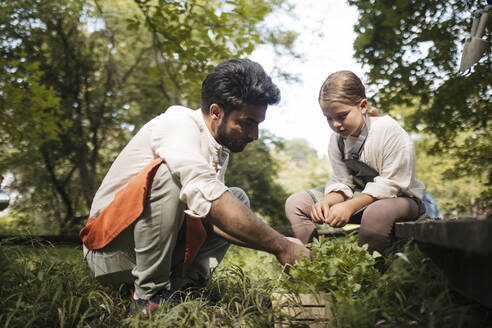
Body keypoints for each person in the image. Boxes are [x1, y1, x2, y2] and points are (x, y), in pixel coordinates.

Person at [80, 58, 312, 315]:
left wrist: (281, 246)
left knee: (236, 198)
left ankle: (183, 291)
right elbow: (208, 197)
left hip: (142, 252)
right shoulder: (177, 125)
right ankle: (149, 297)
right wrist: (282, 245)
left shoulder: (217, 148)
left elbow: (214, 217)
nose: (254, 135)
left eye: (258, 124)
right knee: (170, 174)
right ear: (216, 112)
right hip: (108, 252)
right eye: (247, 123)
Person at [285, 70, 428, 254]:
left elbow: (392, 184)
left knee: (375, 213)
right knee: (296, 203)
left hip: (399, 199)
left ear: (362, 106)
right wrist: (328, 202)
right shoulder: (337, 139)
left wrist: (349, 206)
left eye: (342, 116)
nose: (335, 124)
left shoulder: (388, 130)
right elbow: (342, 181)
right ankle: (310, 264)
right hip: (359, 197)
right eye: (329, 118)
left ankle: (367, 275)